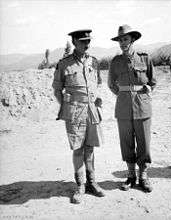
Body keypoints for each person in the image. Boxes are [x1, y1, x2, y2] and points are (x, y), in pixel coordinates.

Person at [52, 29, 105, 204]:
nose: (87, 44)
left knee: (90, 148)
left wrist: (94, 99)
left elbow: (97, 83)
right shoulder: (64, 64)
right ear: (74, 42)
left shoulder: (94, 62)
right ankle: (80, 184)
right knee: (78, 149)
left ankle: (92, 182)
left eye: (88, 40)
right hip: (74, 111)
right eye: (82, 41)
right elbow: (57, 89)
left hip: (91, 109)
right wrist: (67, 106)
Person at [108, 25, 156, 193]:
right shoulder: (115, 62)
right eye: (120, 40)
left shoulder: (144, 58)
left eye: (125, 39)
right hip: (123, 108)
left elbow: (152, 81)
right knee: (126, 142)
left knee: (144, 142)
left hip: (143, 107)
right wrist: (124, 95)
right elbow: (111, 85)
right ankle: (130, 175)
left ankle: (143, 175)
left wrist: (146, 89)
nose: (122, 43)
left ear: (132, 40)